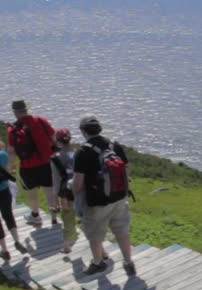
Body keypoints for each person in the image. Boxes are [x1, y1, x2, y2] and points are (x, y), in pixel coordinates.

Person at [72, 115, 135, 276]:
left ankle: (98, 263)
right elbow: (127, 170)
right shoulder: (114, 145)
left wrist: (71, 191)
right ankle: (128, 262)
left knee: (95, 234)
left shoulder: (83, 151)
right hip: (119, 197)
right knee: (121, 230)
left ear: (83, 131)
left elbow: (78, 184)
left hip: (97, 201)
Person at [6, 100, 58, 226]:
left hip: (27, 166)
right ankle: (53, 217)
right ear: (26, 109)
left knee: (32, 192)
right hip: (46, 162)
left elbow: (12, 151)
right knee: (49, 190)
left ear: (15, 113)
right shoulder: (40, 120)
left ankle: (35, 216)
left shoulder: (12, 129)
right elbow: (54, 137)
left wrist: (10, 167)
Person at [50, 128, 78, 253]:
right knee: (88, 218)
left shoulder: (55, 158)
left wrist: (55, 199)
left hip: (66, 192)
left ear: (57, 140)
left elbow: (56, 181)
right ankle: (102, 250)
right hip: (80, 189)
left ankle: (67, 245)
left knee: (67, 217)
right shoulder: (78, 153)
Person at [0, 141, 28, 260]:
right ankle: (17, 241)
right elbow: (9, 169)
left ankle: (5, 250)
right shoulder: (3, 155)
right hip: (4, 190)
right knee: (8, 216)